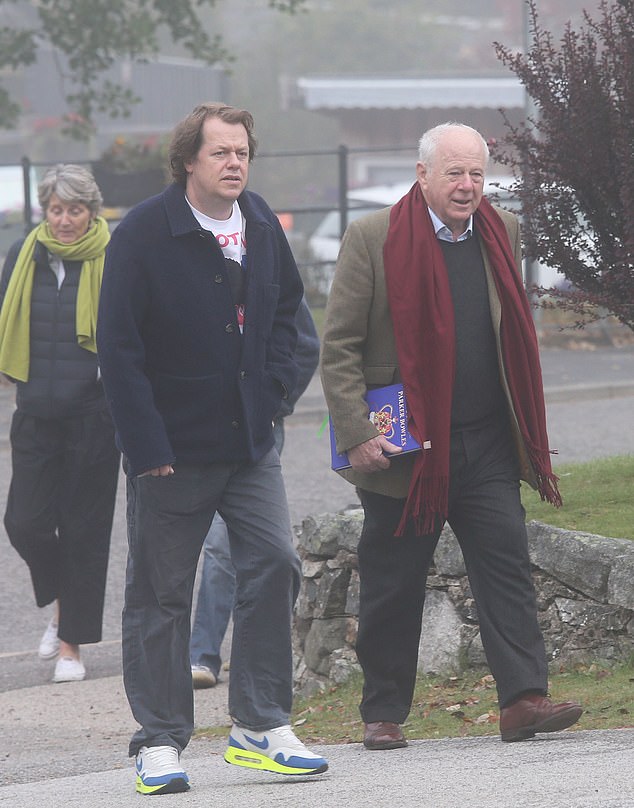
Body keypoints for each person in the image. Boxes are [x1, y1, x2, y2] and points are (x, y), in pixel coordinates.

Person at [320, 122, 583, 751]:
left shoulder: (503, 231)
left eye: (477, 175)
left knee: (507, 567)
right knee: (393, 585)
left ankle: (523, 700)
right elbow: (340, 349)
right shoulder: (372, 237)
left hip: (487, 441)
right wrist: (356, 434)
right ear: (422, 175)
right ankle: (383, 713)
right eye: (455, 174)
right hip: (405, 452)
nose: (468, 187)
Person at [96, 102, 328, 795]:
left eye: (243, 153)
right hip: (171, 450)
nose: (235, 163)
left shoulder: (259, 221)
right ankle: (161, 741)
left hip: (250, 444)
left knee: (275, 562)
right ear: (188, 160)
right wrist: (145, 446)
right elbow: (119, 348)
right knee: (161, 595)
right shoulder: (144, 232)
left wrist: (275, 396)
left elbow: (290, 316)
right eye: (221, 152)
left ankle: (259, 724)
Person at [0, 164, 120, 684]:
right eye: (56, 210)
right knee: (22, 521)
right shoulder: (23, 256)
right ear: (44, 212)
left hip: (94, 416)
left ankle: (71, 643)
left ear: (91, 212)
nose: (64, 220)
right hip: (34, 414)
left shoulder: (113, 257)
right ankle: (59, 603)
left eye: (74, 210)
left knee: (83, 533)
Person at [190, 296, 319, 689]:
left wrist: (275, 402)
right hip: (195, 426)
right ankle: (209, 655)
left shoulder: (263, 256)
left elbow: (306, 345)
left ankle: (205, 655)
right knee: (210, 546)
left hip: (256, 429)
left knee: (229, 545)